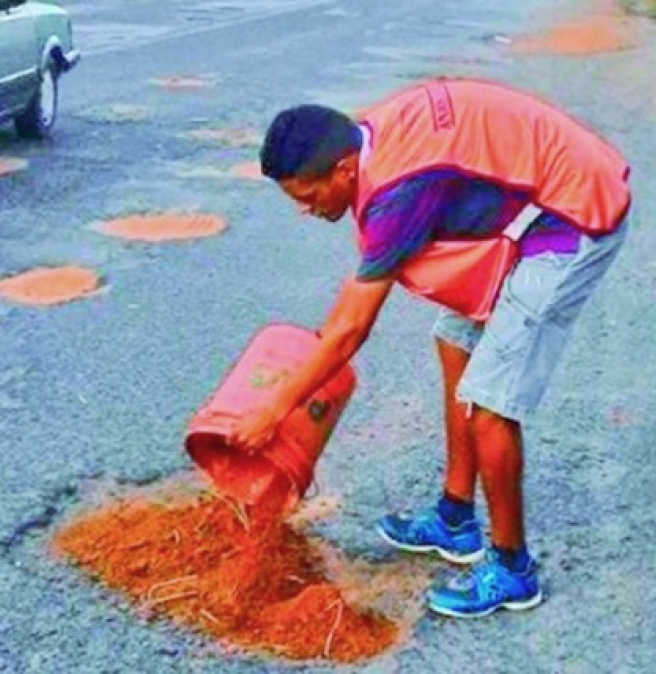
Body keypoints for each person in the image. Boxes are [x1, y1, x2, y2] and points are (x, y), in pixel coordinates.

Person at [228, 77, 631, 619]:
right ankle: (456, 518)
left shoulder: (398, 190)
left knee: (491, 403)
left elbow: (349, 328)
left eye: (307, 196)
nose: (305, 210)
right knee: (454, 339)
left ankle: (513, 569)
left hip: (571, 217)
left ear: (344, 169)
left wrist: (276, 408)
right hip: (530, 204)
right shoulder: (366, 138)